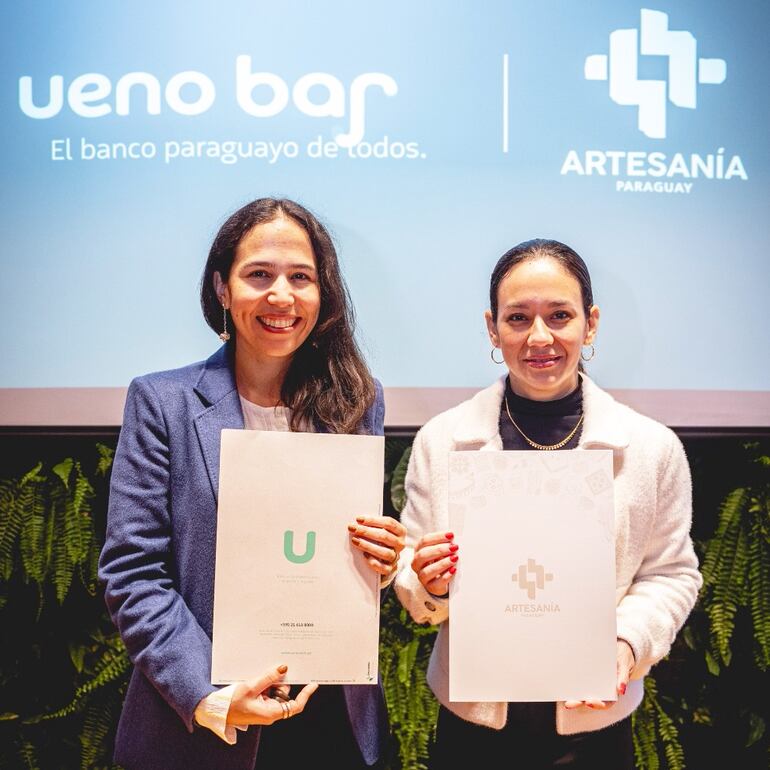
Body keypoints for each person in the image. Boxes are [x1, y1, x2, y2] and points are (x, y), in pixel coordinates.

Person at [98, 197, 406, 770]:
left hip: (333, 717)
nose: (281, 296)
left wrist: (382, 561)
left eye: (301, 277)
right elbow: (133, 572)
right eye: (259, 274)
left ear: (323, 292)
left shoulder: (357, 401)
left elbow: (358, 561)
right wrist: (210, 694)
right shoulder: (162, 402)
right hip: (207, 725)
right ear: (222, 287)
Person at [393, 238, 702, 769]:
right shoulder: (442, 441)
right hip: (473, 727)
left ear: (591, 323)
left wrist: (626, 644)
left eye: (560, 315)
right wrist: (430, 583)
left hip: (593, 727)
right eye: (518, 318)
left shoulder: (651, 448)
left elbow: (671, 574)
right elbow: (412, 572)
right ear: (493, 328)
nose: (540, 337)